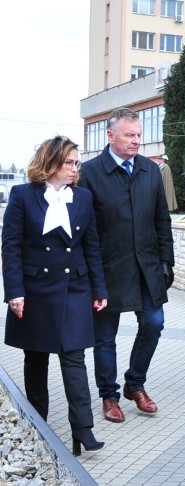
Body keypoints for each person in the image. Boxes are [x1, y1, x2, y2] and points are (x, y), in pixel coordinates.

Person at [2, 136, 108, 456]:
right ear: (51, 163)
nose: (76, 169)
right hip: (35, 292)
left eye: (77, 163)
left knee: (74, 359)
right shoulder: (23, 196)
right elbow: (11, 248)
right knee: (36, 360)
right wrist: (15, 292)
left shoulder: (84, 198)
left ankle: (84, 429)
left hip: (74, 289)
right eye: (70, 163)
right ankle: (38, 426)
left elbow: (91, 247)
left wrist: (99, 289)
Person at [78, 107, 174, 423]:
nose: (136, 141)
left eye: (138, 136)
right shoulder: (90, 174)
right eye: (129, 135)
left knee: (154, 323)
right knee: (105, 338)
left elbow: (162, 220)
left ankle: (136, 383)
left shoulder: (150, 170)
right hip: (106, 271)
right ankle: (109, 396)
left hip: (146, 269)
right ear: (110, 136)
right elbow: (83, 229)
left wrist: (166, 262)